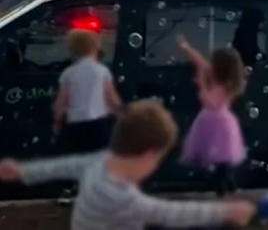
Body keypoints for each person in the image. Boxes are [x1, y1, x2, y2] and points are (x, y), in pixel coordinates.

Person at [0, 99, 255, 230]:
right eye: (157, 159)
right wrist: (226, 212)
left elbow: (59, 167)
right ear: (147, 154)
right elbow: (172, 214)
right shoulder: (122, 197)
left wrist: (21, 171)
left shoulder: (98, 163)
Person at [176, 36, 247, 197]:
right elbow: (199, 60)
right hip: (215, 122)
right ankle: (228, 190)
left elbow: (210, 102)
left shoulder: (224, 85)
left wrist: (201, 84)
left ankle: (225, 191)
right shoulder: (223, 79)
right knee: (222, 164)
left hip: (216, 123)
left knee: (221, 164)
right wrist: (186, 48)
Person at [53, 29, 123, 153]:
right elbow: (112, 99)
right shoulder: (101, 71)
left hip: (75, 124)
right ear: (95, 46)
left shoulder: (68, 73)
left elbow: (60, 102)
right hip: (98, 124)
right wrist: (120, 116)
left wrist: (57, 121)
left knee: (78, 155)